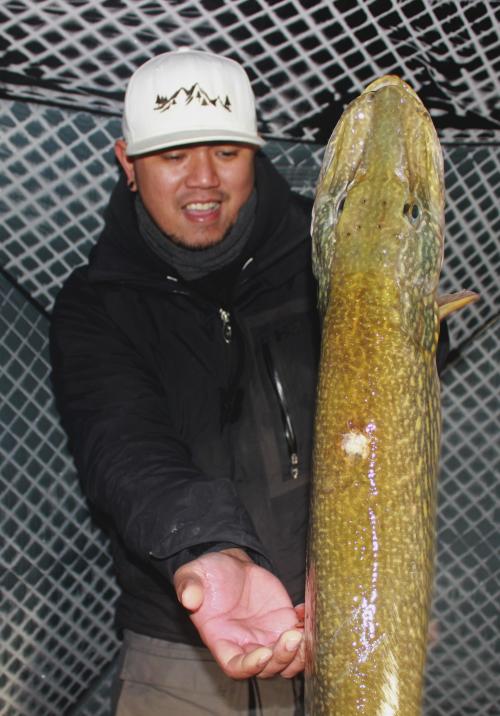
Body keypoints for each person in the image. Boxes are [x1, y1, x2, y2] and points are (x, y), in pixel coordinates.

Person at [50, 48, 319, 715]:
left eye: (227, 152)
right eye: (174, 156)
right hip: (180, 640)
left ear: (256, 154)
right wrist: (209, 549)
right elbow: (126, 448)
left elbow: (394, 395)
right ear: (127, 164)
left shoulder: (331, 249)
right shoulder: (95, 304)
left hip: (342, 618)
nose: (204, 181)